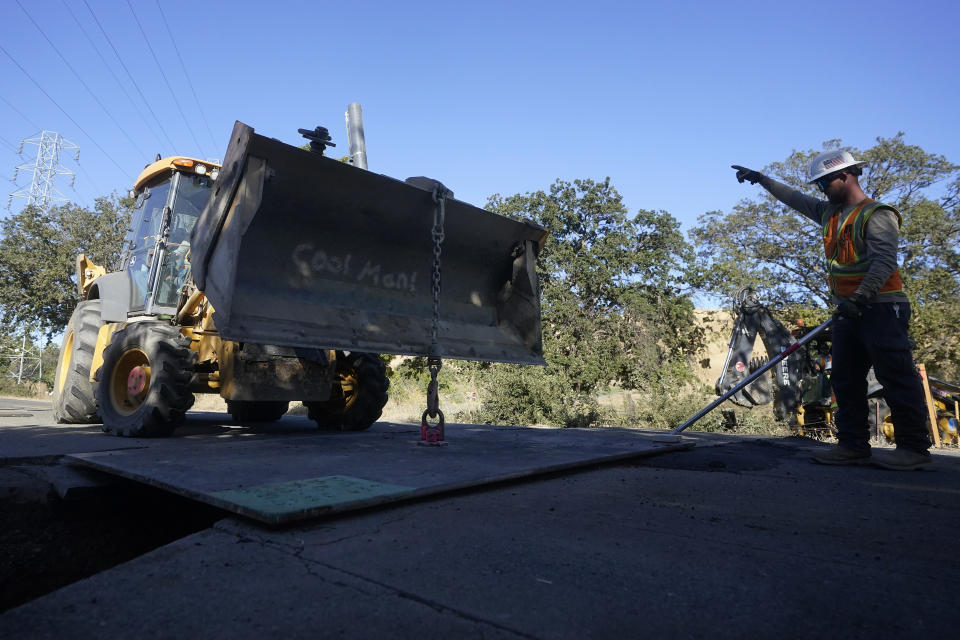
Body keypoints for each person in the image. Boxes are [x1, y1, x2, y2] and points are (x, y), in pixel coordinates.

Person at [731, 150, 932, 470]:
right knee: (845, 379)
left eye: (825, 181)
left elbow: (883, 262)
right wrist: (762, 179)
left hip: (881, 308)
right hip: (848, 312)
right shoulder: (830, 214)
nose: (821, 188)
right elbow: (795, 198)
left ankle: (914, 449)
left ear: (846, 176)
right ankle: (853, 444)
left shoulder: (877, 214)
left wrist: (860, 297)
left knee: (895, 375)